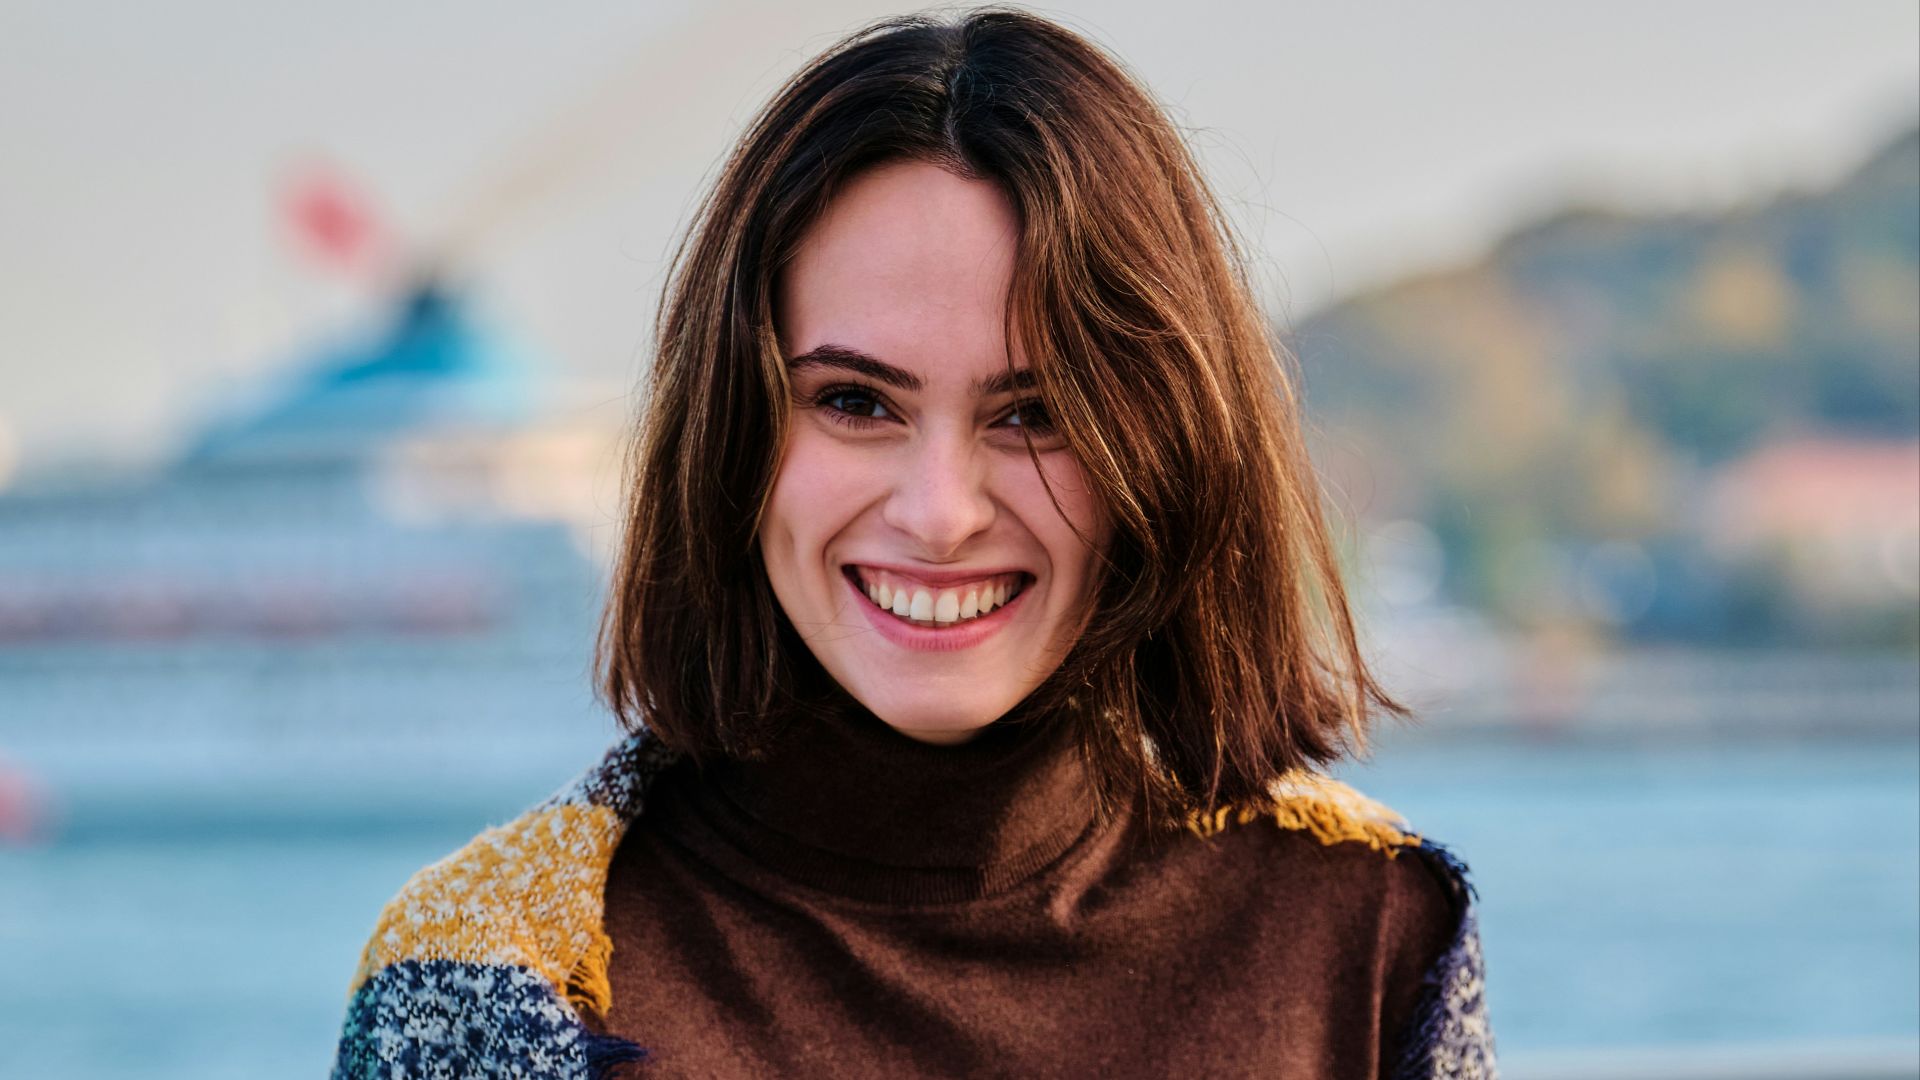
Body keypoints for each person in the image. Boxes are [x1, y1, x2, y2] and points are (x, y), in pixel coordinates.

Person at [332, 9, 1497, 1079]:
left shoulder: (1371, 931)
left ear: (1164, 445)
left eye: (1035, 414)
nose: (941, 513)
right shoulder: (487, 988)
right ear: (731, 432)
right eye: (854, 402)